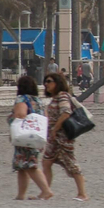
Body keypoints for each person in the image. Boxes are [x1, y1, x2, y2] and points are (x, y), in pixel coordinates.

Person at [40, 71, 88, 201]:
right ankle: (46, 192)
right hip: (54, 138)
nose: (46, 84)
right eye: (45, 82)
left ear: (57, 83)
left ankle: (83, 194)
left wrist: (55, 129)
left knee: (71, 163)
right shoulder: (55, 98)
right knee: (46, 162)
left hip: (63, 136)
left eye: (49, 81)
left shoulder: (62, 96)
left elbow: (66, 112)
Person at [10, 74, 57, 200]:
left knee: (30, 165)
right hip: (37, 135)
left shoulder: (22, 99)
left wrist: (12, 118)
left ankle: (46, 190)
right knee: (22, 166)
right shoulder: (39, 101)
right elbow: (45, 117)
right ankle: (21, 195)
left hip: (25, 137)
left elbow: (20, 114)